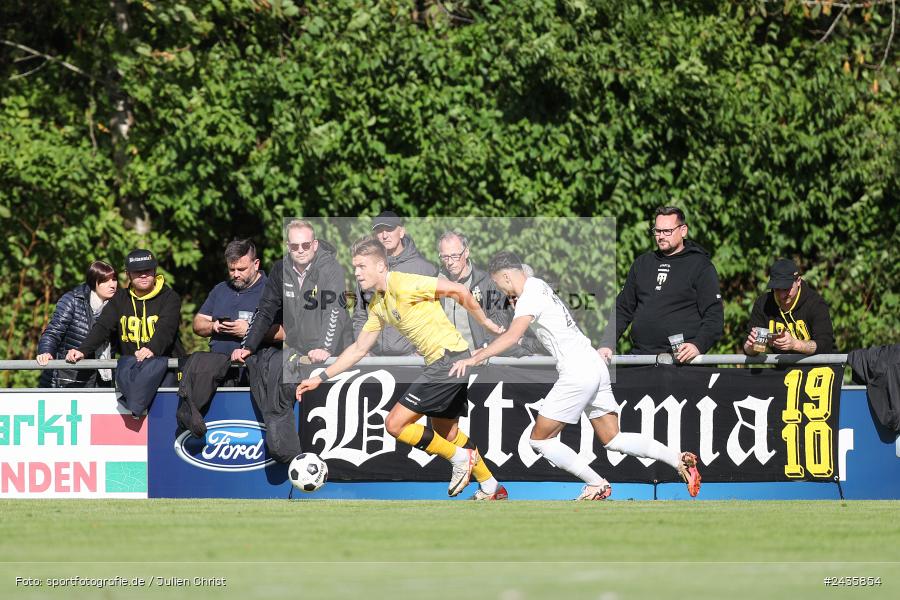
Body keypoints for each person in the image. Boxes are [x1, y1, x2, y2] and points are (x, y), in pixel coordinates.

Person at [450, 251, 702, 499]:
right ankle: (678, 460)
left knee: (540, 440)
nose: (503, 294)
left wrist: (475, 357)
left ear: (505, 277)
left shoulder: (528, 298)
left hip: (577, 371)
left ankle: (597, 483)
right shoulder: (537, 285)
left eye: (499, 285)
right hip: (594, 363)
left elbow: (513, 337)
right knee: (613, 438)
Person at [297, 236, 509, 500]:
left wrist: (487, 324)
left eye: (362, 266)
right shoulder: (377, 303)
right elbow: (358, 349)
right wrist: (321, 377)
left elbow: (459, 291)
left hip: (449, 361)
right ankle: (492, 487)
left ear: (381, 267)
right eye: (354, 267)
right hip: (446, 362)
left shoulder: (405, 282)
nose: (356, 273)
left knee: (395, 424)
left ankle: (459, 459)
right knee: (448, 433)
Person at [230, 220, 349, 463]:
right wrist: (248, 346)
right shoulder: (279, 270)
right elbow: (264, 311)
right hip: (300, 349)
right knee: (269, 370)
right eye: (295, 246)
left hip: (334, 351)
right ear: (288, 246)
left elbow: (335, 312)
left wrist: (325, 348)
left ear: (314, 245)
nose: (301, 250)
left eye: (306, 244)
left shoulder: (331, 269)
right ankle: (287, 451)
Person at [599, 206, 723, 363]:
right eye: (657, 231)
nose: (661, 236)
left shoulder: (700, 265)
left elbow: (714, 315)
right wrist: (607, 344)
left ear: (683, 230)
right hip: (641, 359)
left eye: (667, 231)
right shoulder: (642, 263)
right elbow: (623, 308)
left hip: (682, 362)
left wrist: (698, 345)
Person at [66, 249, 184, 382]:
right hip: (132, 371)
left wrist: (151, 349)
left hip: (165, 369)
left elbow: (166, 329)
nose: (143, 275)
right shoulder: (120, 298)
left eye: (148, 270)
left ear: (155, 271)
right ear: (128, 274)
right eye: (137, 272)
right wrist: (82, 350)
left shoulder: (170, 297)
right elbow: (103, 326)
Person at [436, 230, 543, 357]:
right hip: (443, 360)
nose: (449, 262)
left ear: (466, 252)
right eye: (445, 257)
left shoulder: (488, 282)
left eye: (454, 256)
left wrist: (484, 347)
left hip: (480, 359)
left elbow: (500, 321)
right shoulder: (434, 282)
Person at [352, 210, 436, 356]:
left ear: (402, 232)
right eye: (379, 231)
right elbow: (360, 315)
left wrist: (423, 350)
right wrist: (362, 347)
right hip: (374, 357)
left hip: (412, 359)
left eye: (389, 229)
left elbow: (434, 316)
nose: (384, 235)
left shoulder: (424, 269)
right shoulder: (366, 267)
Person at [193, 239, 273, 385]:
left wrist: (251, 331)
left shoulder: (271, 291)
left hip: (256, 375)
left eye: (241, 269)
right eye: (231, 269)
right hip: (217, 374)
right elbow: (198, 323)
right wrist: (214, 326)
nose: (236, 274)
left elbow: (286, 332)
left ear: (256, 264)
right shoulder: (220, 289)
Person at [35, 261, 118, 387]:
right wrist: (46, 351)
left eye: (114, 279)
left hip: (101, 382)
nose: (112, 285)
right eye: (105, 281)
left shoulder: (118, 305)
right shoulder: (72, 300)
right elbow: (52, 333)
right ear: (93, 282)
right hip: (66, 381)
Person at [743, 258, 835, 355]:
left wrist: (795, 344)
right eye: (777, 289)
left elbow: (826, 345)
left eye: (786, 289)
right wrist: (752, 346)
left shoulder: (815, 303)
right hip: (782, 369)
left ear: (798, 281)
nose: (782, 295)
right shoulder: (763, 304)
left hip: (815, 368)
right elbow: (749, 351)